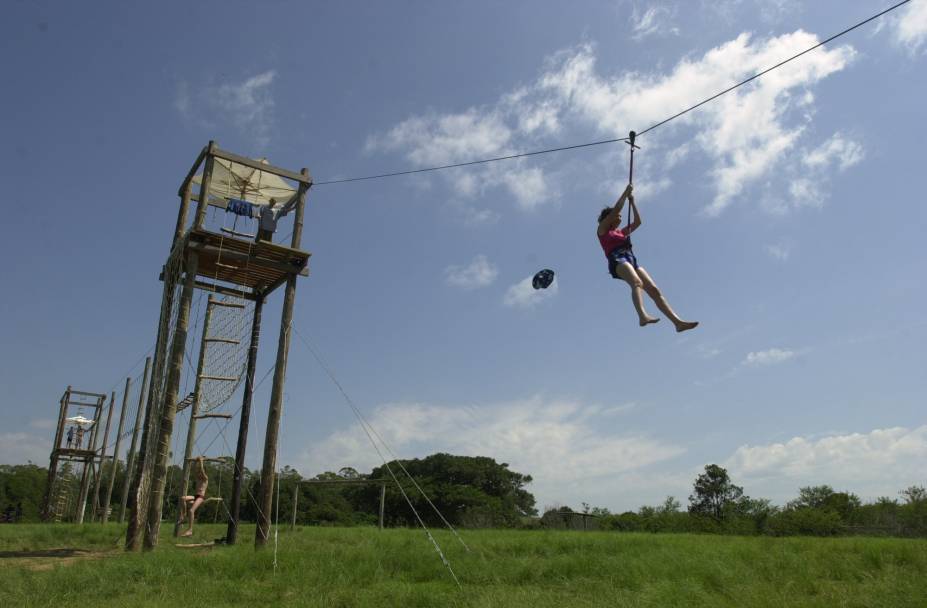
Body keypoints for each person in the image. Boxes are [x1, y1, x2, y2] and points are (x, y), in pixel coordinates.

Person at [597, 184, 698, 332]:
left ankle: (678, 323)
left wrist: (632, 203)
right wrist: (625, 193)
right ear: (608, 218)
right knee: (637, 283)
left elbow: (638, 222)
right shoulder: (602, 230)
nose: (620, 216)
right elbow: (617, 209)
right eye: (616, 215)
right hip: (617, 260)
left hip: (631, 259)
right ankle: (642, 316)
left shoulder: (621, 232)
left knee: (654, 290)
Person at [178, 457, 208, 537]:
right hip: (196, 496)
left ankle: (190, 530)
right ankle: (183, 516)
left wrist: (201, 461)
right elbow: (195, 469)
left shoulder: (205, 478)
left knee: (191, 511)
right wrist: (196, 461)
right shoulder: (198, 478)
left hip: (201, 497)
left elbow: (201, 469)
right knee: (183, 498)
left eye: (201, 472)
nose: (199, 473)